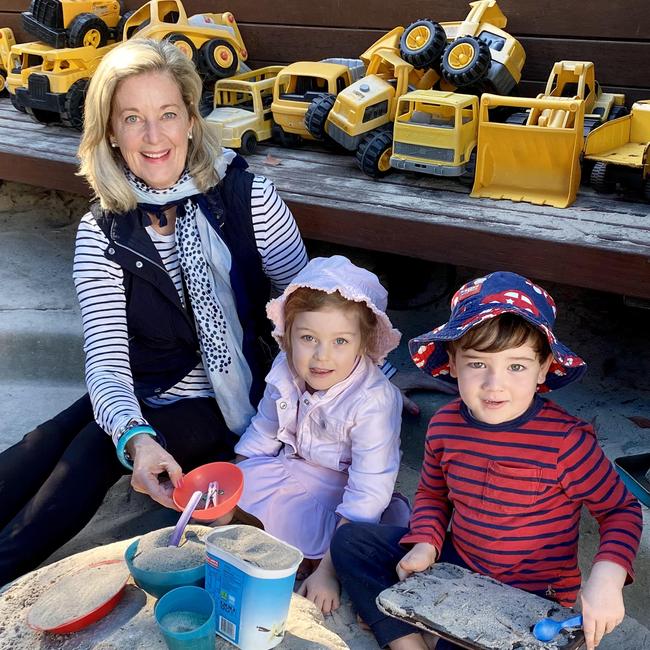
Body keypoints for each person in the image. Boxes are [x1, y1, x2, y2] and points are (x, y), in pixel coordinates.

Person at [0, 38, 309, 587]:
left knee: (93, 449)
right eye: (132, 119)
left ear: (191, 119)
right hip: (150, 383)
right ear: (111, 134)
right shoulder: (103, 229)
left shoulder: (249, 198)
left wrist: (368, 382)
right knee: (51, 436)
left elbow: (311, 308)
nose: (153, 136)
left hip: (232, 395)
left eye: (168, 114)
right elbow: (106, 360)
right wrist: (137, 436)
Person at [330, 271, 642, 650]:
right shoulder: (445, 425)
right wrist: (426, 542)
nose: (495, 384)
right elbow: (432, 494)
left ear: (543, 368)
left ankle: (427, 631)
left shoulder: (566, 441)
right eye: (478, 364)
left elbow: (621, 511)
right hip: (458, 562)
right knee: (351, 542)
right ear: (453, 363)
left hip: (530, 593)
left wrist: (607, 578)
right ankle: (407, 641)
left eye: (516, 366)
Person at [229, 255, 411, 614]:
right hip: (292, 470)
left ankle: (320, 562)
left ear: (363, 343)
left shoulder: (375, 401)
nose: (321, 356)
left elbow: (368, 490)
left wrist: (329, 571)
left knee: (356, 546)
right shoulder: (285, 368)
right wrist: (232, 489)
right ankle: (277, 543)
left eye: (340, 341)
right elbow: (263, 433)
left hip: (343, 491)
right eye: (308, 338)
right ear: (289, 336)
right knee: (227, 488)